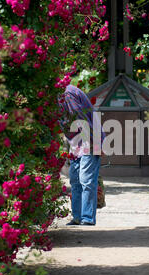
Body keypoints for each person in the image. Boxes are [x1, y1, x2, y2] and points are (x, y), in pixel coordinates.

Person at [58, 84, 104, 226]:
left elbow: (82, 120)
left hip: (88, 141)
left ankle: (87, 218)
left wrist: (96, 143)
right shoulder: (60, 95)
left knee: (86, 181)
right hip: (76, 144)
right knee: (75, 181)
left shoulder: (68, 94)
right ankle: (77, 217)